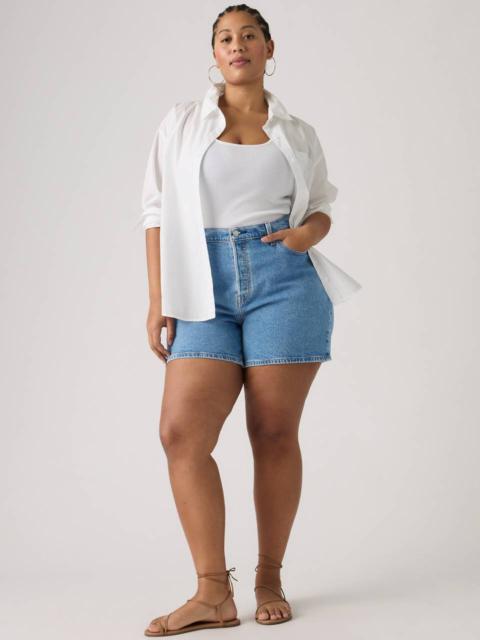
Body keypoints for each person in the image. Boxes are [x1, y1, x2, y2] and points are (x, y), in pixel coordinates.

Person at [141, 4, 361, 636]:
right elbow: (156, 210)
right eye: (225, 38)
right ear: (214, 54)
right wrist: (158, 299)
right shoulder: (183, 122)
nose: (236, 45)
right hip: (200, 283)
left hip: (284, 281)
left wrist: (307, 233)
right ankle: (213, 593)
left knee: (272, 433)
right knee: (182, 433)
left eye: (248, 35)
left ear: (269, 47)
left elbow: (321, 207)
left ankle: (269, 578)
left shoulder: (297, 131)